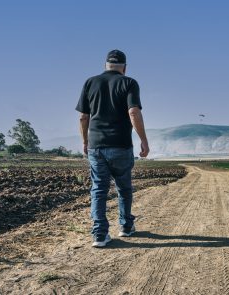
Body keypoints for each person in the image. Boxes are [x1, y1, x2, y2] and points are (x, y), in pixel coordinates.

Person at [76, 49, 149, 247]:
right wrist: (144, 140)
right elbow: (133, 112)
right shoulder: (129, 83)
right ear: (124, 67)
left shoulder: (90, 82)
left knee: (99, 189)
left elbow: (83, 117)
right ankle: (125, 227)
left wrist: (85, 142)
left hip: (96, 146)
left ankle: (99, 235)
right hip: (121, 145)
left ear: (105, 65)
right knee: (124, 188)